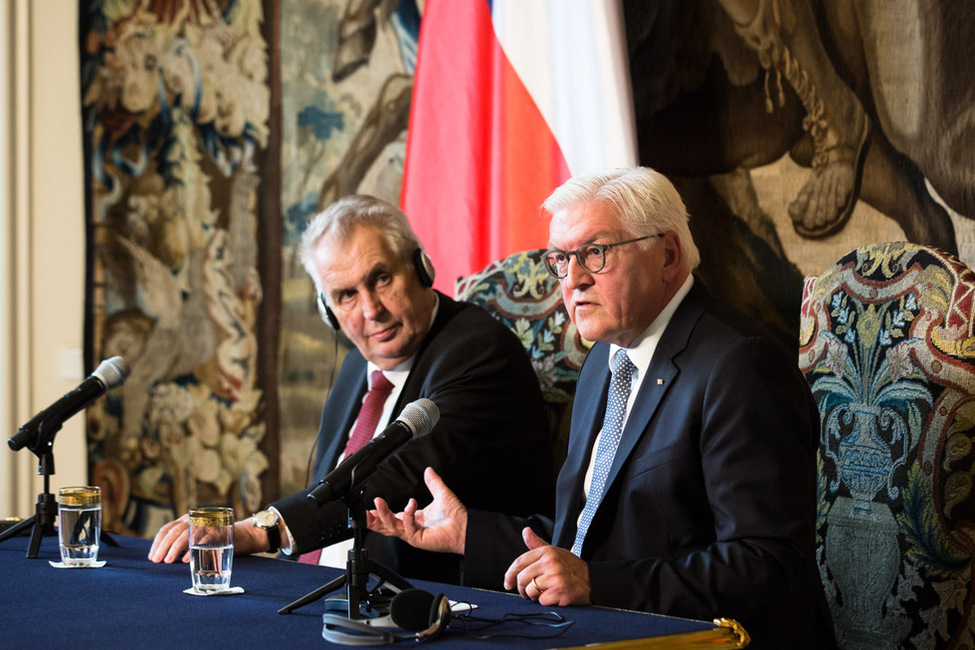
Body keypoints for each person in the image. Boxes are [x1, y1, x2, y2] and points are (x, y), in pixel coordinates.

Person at [368, 167, 837, 648]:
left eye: (595, 253)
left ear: (668, 254)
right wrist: (471, 533)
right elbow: (587, 531)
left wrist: (597, 583)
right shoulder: (604, 361)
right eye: (561, 259)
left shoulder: (739, 365)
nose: (572, 280)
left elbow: (767, 566)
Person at [149, 194, 554, 585]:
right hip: (328, 594)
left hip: (430, 603)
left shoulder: (478, 351)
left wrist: (260, 531)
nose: (370, 311)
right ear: (329, 312)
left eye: (381, 279)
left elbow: (396, 477)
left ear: (420, 267)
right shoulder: (356, 367)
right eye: (345, 296)